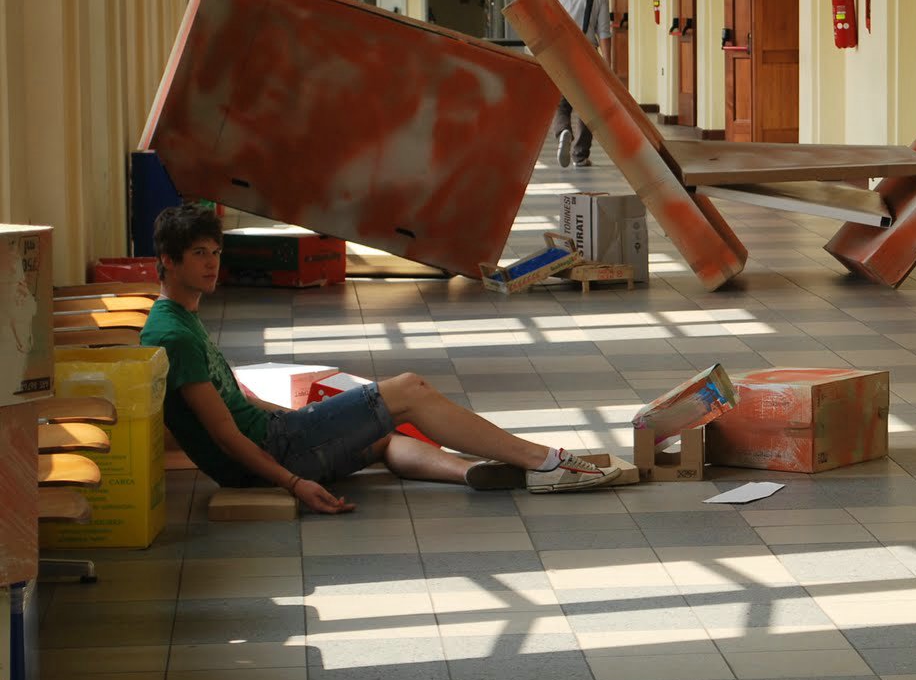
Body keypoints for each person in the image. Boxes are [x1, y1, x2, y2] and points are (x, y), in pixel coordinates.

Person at [139, 204, 621, 513]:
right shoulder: (174, 335)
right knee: (408, 389)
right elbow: (224, 436)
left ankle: (467, 469)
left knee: (382, 434)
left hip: (279, 439)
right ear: (167, 259)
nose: (211, 264)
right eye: (198, 253)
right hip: (273, 453)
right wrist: (292, 483)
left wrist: (307, 418)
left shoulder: (179, 319)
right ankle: (545, 463)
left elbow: (238, 405)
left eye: (216, 253)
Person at [547, 0, 612, 167]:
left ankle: (563, 131)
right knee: (588, 106)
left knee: (561, 104)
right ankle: (580, 154)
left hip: (561, 54)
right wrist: (607, 64)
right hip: (587, 56)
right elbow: (604, 32)